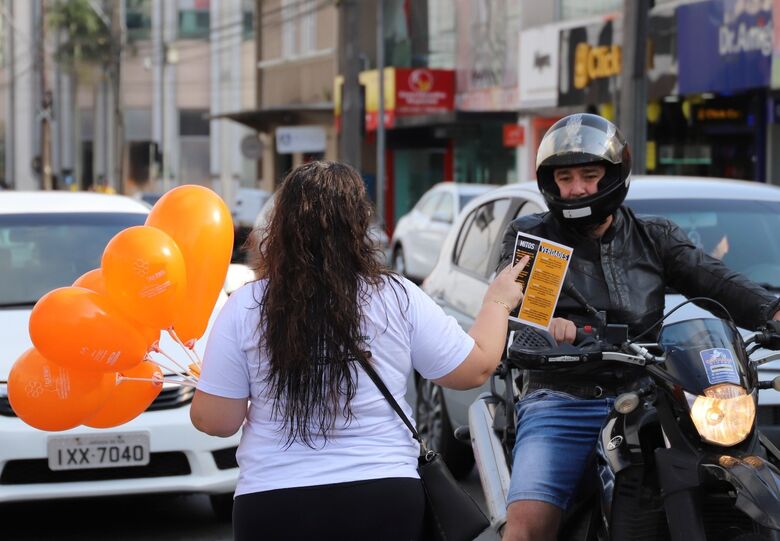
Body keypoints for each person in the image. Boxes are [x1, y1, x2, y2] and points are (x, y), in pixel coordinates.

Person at [190, 160, 529, 540]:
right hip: (382, 496)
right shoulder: (395, 296)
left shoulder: (246, 306)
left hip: (274, 501)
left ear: (280, 227)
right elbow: (476, 369)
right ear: (357, 226)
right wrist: (497, 303)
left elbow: (216, 420)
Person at [497, 113, 780, 541]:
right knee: (528, 527)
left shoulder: (654, 237)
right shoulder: (538, 239)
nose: (576, 188)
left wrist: (772, 311)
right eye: (566, 177)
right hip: (563, 398)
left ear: (613, 175)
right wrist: (546, 326)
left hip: (649, 395)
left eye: (589, 175)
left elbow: (717, 282)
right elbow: (516, 313)